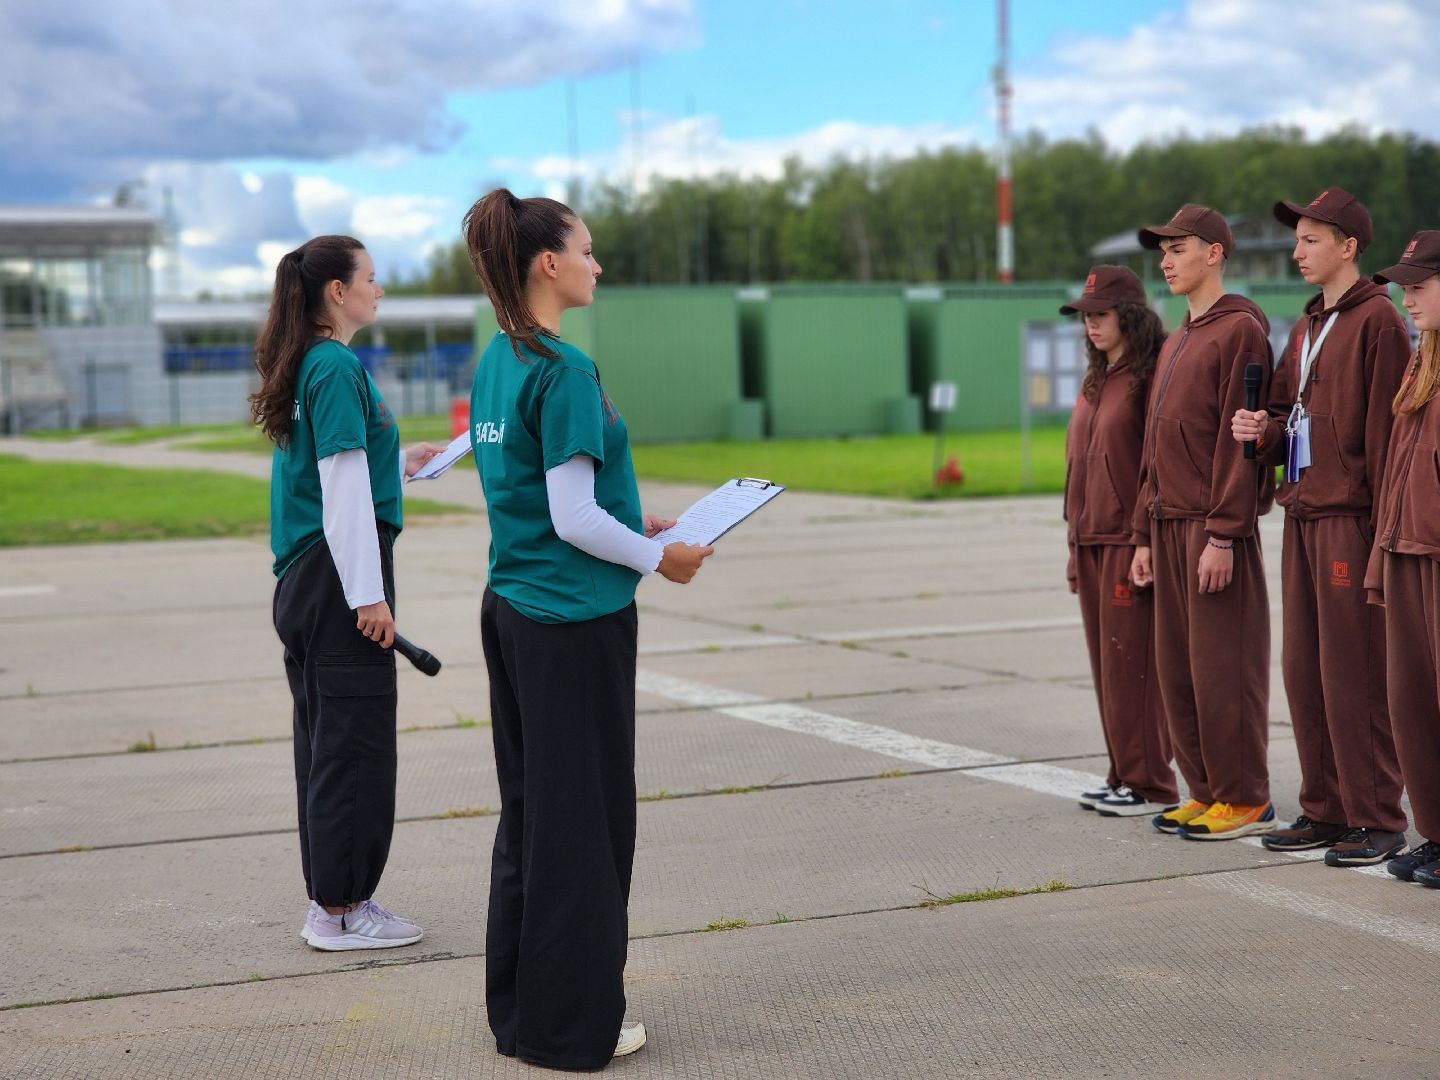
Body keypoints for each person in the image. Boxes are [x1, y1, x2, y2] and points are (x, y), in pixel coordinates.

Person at [461, 189, 713, 1070]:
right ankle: (574, 1031)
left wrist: (635, 525)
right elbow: (570, 516)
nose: (598, 264)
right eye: (589, 250)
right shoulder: (563, 368)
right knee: (584, 831)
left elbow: (542, 500)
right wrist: (661, 560)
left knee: (532, 819)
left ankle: (524, 1017)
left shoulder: (499, 360)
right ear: (549, 264)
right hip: (572, 621)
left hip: (515, 610)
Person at [252, 235, 441, 950]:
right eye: (371, 278)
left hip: (307, 579)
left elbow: (351, 465)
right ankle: (339, 909)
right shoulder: (333, 365)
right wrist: (369, 595)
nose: (379, 289)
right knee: (353, 747)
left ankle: (336, 900)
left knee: (327, 743)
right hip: (337, 580)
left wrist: (403, 457)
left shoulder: (310, 362)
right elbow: (339, 485)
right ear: (337, 290)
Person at [1231, 189, 1410, 866]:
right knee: (1305, 669)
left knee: (1354, 670)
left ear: (1348, 247)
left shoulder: (1378, 323)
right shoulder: (1307, 326)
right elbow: (1285, 411)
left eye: (1310, 240)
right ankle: (1327, 808)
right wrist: (1263, 430)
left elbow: (1388, 441)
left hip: (1349, 520)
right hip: (1302, 512)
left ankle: (1378, 816)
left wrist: (1378, 537)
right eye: (1296, 240)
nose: (1297, 251)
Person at [1129, 204, 1277, 840]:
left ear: (1215, 253)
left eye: (1179, 248)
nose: (1166, 261)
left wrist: (1224, 532)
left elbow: (1235, 446)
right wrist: (1141, 532)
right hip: (1165, 526)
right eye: (1162, 251)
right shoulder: (1177, 337)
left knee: (1223, 668)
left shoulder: (1238, 329)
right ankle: (1205, 790)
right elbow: (1151, 447)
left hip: (1211, 528)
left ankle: (1244, 796)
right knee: (1179, 670)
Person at [1061, 266, 1179, 817]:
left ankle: (1150, 782)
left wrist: (1142, 541)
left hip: (1125, 541)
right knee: (1107, 666)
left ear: (1128, 315)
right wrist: (1071, 544)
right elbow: (1078, 467)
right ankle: (1121, 773)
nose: (1090, 324)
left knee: (1134, 667)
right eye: (1085, 315)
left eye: (1100, 314)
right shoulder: (1095, 382)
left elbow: (1150, 466)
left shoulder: (1145, 379)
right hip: (1088, 540)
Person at [1364, 230, 1440, 886]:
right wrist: (1379, 559)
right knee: (1412, 704)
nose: (1406, 295)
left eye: (1419, 284)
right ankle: (1436, 835)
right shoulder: (1421, 364)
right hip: (1405, 551)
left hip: (1437, 554)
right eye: (1404, 284)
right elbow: (1395, 471)